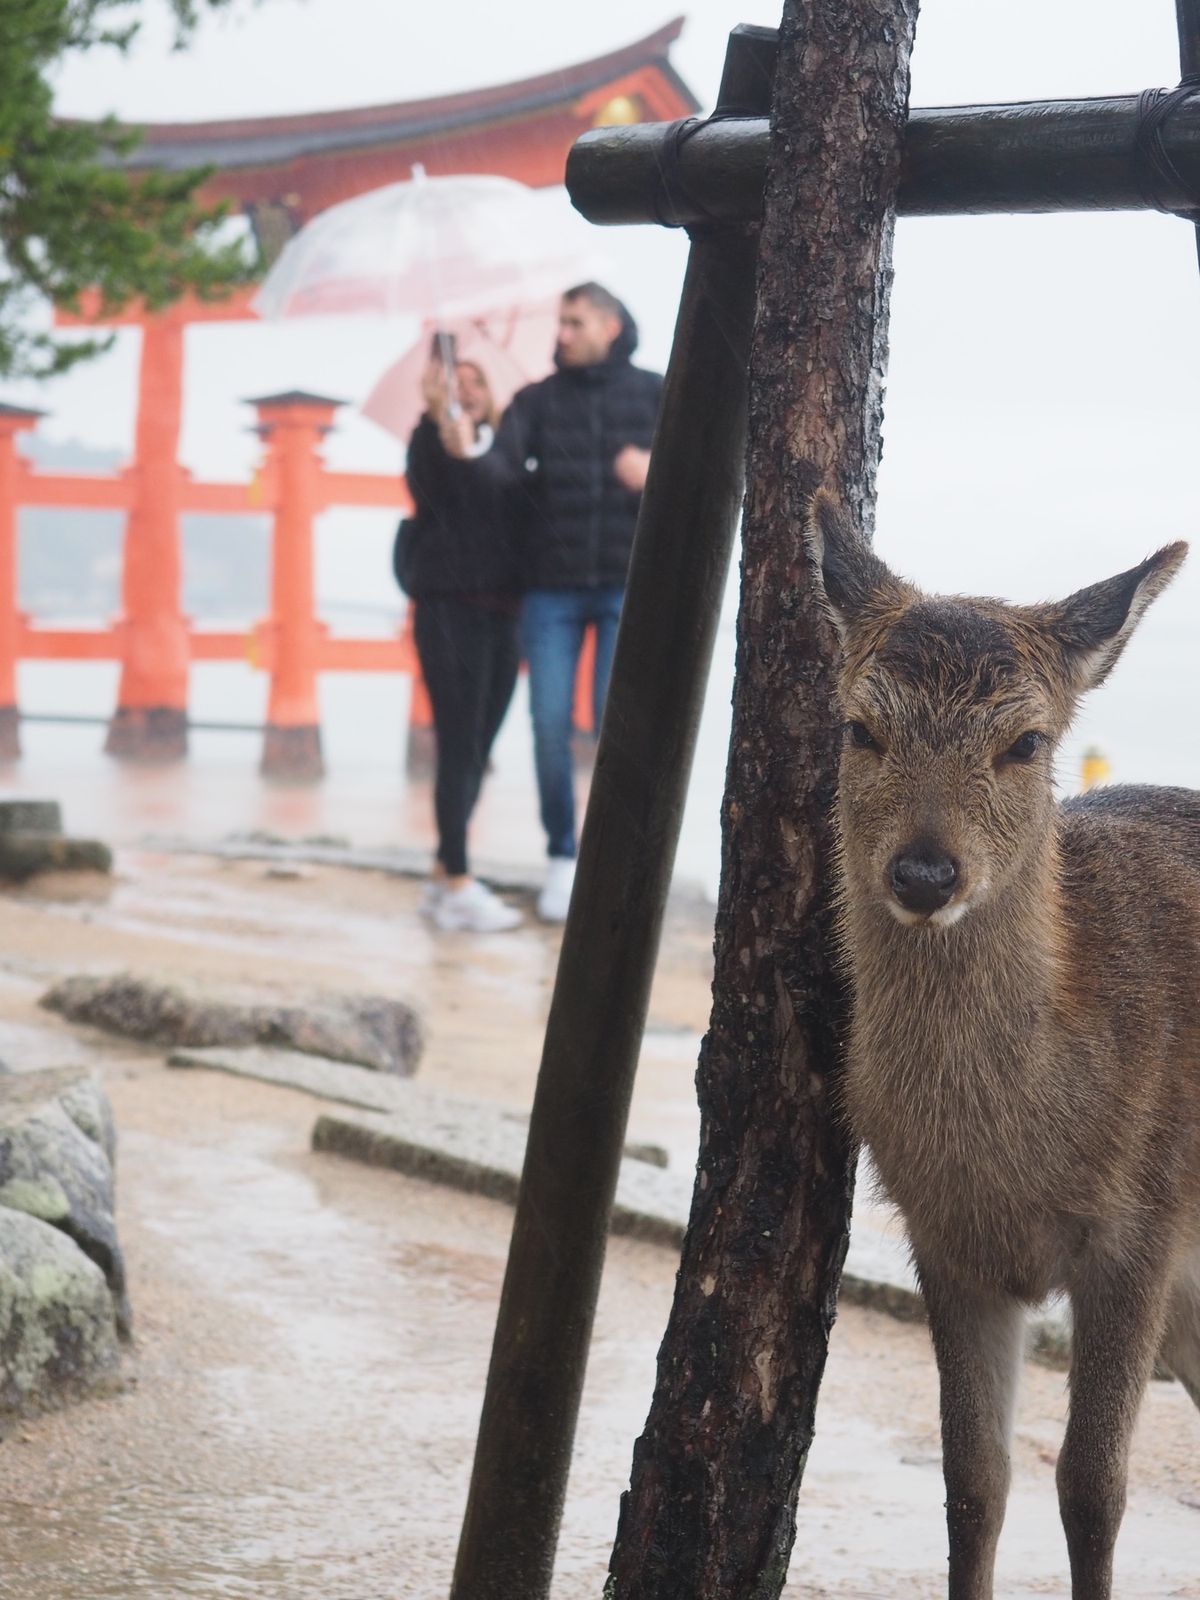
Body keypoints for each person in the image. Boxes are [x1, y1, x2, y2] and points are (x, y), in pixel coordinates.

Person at [441, 283, 663, 921]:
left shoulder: (655, 392)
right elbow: (500, 472)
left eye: (574, 322)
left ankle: (615, 858)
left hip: (627, 585)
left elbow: (707, 472)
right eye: (560, 323)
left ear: (610, 325)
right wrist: (467, 446)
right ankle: (562, 854)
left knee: (613, 727)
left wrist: (656, 469)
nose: (560, 333)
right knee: (547, 727)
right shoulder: (534, 401)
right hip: (549, 590)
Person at [400, 356, 523, 932]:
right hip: (449, 610)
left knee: (481, 746)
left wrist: (476, 446)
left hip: (503, 613)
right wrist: (439, 425)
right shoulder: (428, 442)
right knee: (458, 743)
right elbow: (429, 492)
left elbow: (508, 492)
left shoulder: (504, 446)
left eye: (478, 381)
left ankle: (441, 869)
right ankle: (459, 880)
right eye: (457, 383)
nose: (468, 390)